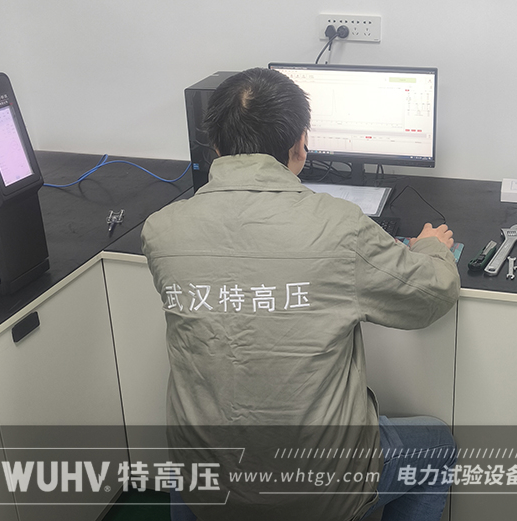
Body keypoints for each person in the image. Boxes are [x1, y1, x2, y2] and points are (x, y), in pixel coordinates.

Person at [141, 67, 460, 521]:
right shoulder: (339, 227)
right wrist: (430, 246)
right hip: (315, 491)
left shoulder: (162, 230)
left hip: (205, 484)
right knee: (437, 445)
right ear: (299, 145)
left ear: (215, 147)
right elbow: (432, 294)